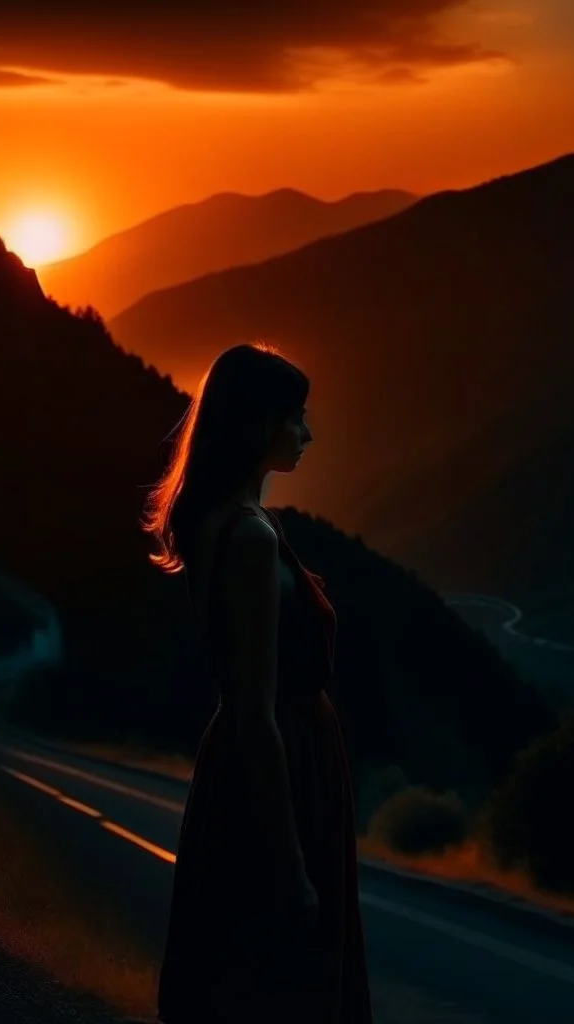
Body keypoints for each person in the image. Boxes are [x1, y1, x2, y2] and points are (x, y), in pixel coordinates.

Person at [142, 342, 374, 1022]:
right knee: (286, 981)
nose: (307, 434)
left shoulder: (218, 522)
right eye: (296, 418)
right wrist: (290, 860)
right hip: (282, 768)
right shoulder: (249, 538)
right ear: (259, 424)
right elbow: (255, 711)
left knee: (241, 976)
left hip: (257, 766)